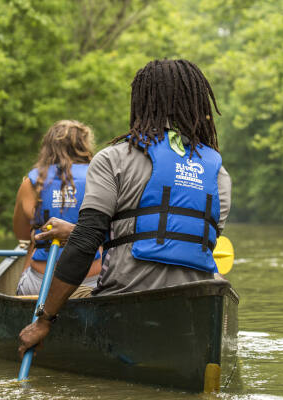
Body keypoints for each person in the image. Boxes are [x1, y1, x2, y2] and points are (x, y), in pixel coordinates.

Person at [18, 59, 231, 356]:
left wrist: (44, 320)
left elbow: (85, 244)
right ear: (197, 104)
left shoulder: (113, 159)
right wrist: (80, 232)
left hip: (124, 299)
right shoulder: (218, 172)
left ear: (141, 102)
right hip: (193, 308)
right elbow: (174, 234)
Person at [12, 120, 101, 298]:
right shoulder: (99, 177)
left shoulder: (31, 183)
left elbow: (21, 235)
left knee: (33, 238)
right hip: (90, 282)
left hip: (39, 284)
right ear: (85, 145)